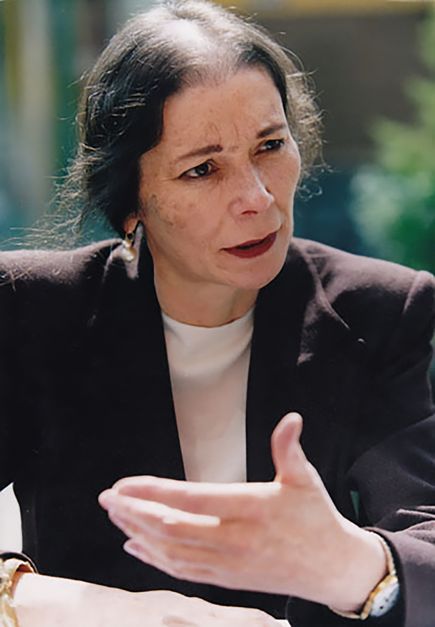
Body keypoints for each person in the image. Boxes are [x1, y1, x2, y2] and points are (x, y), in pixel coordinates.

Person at [0, 1, 434, 626]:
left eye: (270, 146)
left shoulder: (379, 311)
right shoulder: (36, 311)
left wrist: (353, 562)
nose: (257, 199)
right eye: (203, 169)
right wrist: (70, 605)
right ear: (131, 204)